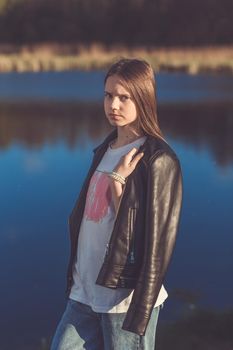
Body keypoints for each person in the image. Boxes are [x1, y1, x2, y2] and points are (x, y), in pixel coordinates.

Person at [51, 58, 183, 350]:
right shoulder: (106, 149)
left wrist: (141, 310)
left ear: (143, 99)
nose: (114, 105)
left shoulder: (158, 160)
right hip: (84, 292)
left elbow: (157, 242)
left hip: (124, 300)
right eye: (109, 95)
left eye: (125, 97)